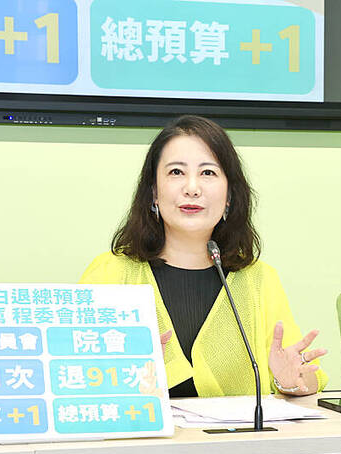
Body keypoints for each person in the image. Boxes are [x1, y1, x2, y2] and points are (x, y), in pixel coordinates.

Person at [81, 115, 327, 397]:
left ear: (230, 196)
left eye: (208, 173)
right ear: (153, 194)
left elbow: (303, 378)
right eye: (176, 172)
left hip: (232, 441)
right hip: (141, 437)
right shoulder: (110, 273)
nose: (192, 188)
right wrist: (124, 374)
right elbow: (75, 377)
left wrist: (289, 381)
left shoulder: (259, 279)